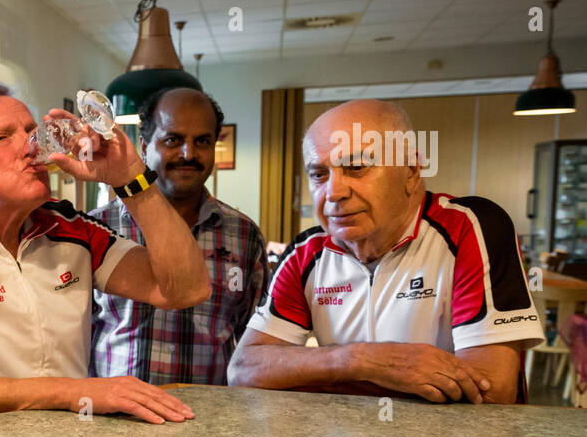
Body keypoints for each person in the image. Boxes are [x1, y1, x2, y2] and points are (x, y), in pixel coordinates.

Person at [0, 83, 210, 425]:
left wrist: (131, 178)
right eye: (3, 137)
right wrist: (71, 392)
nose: (33, 147)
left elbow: (185, 289)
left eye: (32, 131)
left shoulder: (69, 226)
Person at [229, 99, 544, 404]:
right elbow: (244, 369)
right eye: (319, 174)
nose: (334, 193)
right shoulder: (305, 252)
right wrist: (364, 360)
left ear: (410, 171)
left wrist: (305, 374)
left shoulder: (471, 227)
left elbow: (491, 389)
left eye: (356, 167)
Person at [91, 87, 268, 385]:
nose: (189, 154)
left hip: (210, 420)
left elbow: (255, 342)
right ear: (144, 146)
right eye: (173, 140)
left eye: (202, 141)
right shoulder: (97, 229)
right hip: (114, 423)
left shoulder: (244, 235)